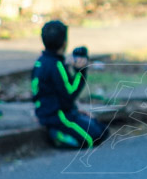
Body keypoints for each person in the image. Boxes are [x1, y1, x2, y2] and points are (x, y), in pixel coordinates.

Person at [31, 20, 109, 149]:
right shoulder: (56, 65)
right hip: (57, 115)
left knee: (102, 130)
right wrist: (81, 71)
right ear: (64, 43)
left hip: (50, 110)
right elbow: (70, 92)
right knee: (92, 138)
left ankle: (64, 131)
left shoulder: (41, 61)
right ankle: (58, 135)